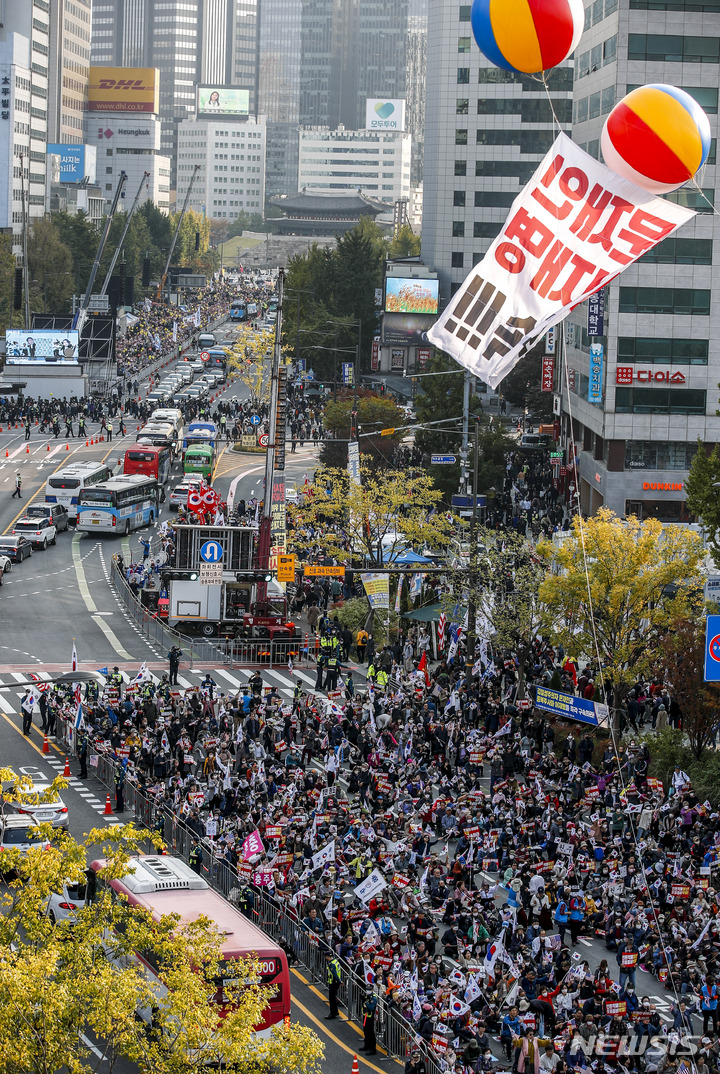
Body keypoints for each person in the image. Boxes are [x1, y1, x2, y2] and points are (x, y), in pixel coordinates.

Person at [325, 952, 342, 1019]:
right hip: (336, 982)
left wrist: (339, 981)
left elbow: (334, 974)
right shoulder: (335, 961)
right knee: (333, 997)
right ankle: (335, 1012)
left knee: (332, 998)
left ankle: (333, 1013)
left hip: (333, 982)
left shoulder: (331, 964)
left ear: (327, 957)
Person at [361, 988, 377, 1054]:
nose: (367, 991)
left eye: (369, 989)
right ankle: (366, 1045)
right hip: (365, 1016)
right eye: (367, 989)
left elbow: (371, 1007)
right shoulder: (367, 996)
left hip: (370, 1018)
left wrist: (366, 1002)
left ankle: (373, 1049)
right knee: (365, 1031)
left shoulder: (373, 998)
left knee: (371, 1033)